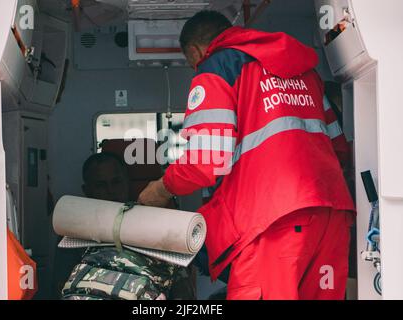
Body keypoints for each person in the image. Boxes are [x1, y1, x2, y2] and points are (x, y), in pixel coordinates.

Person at [138, 10, 356, 300]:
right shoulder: (305, 72)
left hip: (270, 226)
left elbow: (204, 161)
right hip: (330, 218)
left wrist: (161, 189)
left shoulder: (216, 66)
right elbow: (339, 148)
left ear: (195, 51)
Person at [53, 152, 195, 299]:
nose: (110, 190)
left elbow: (182, 289)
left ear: (127, 182)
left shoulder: (153, 226)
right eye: (101, 185)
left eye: (116, 182)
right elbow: (61, 287)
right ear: (87, 190)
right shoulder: (73, 230)